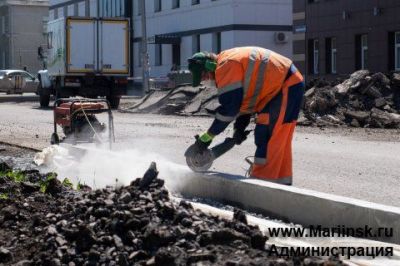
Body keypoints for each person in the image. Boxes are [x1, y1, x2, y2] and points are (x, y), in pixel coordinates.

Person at [187, 47, 304, 185]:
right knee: (272, 137)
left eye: (204, 76)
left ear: (210, 65)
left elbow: (229, 110)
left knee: (268, 135)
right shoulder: (227, 64)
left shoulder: (226, 66)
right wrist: (239, 129)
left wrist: (207, 137)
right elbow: (244, 104)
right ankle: (280, 184)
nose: (205, 81)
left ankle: (263, 184)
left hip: (285, 85)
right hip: (278, 88)